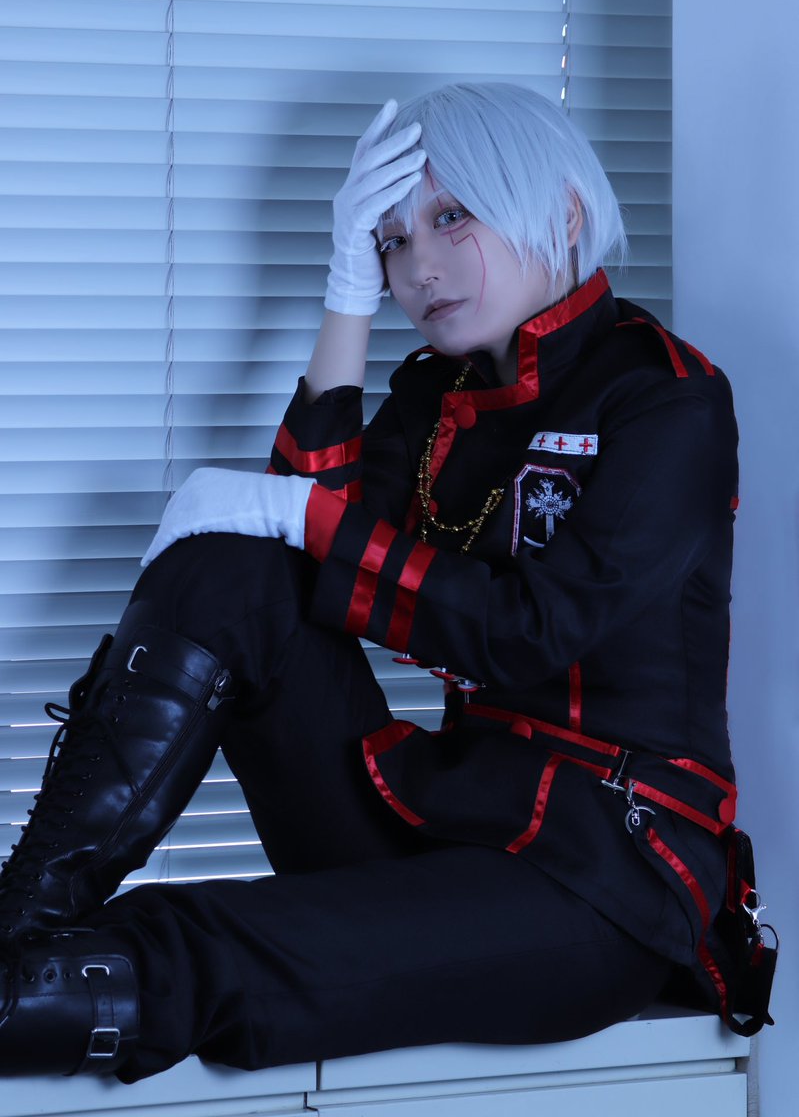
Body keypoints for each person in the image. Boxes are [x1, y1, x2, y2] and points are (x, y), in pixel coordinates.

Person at [0, 83, 774, 1081]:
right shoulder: (431, 396)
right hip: (438, 816)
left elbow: (528, 632)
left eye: (451, 219)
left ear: (563, 212)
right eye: (390, 241)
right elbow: (282, 563)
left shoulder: (667, 397)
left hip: (598, 879)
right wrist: (344, 296)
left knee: (209, 940)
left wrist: (294, 514)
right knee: (231, 560)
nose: (418, 268)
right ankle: (21, 915)